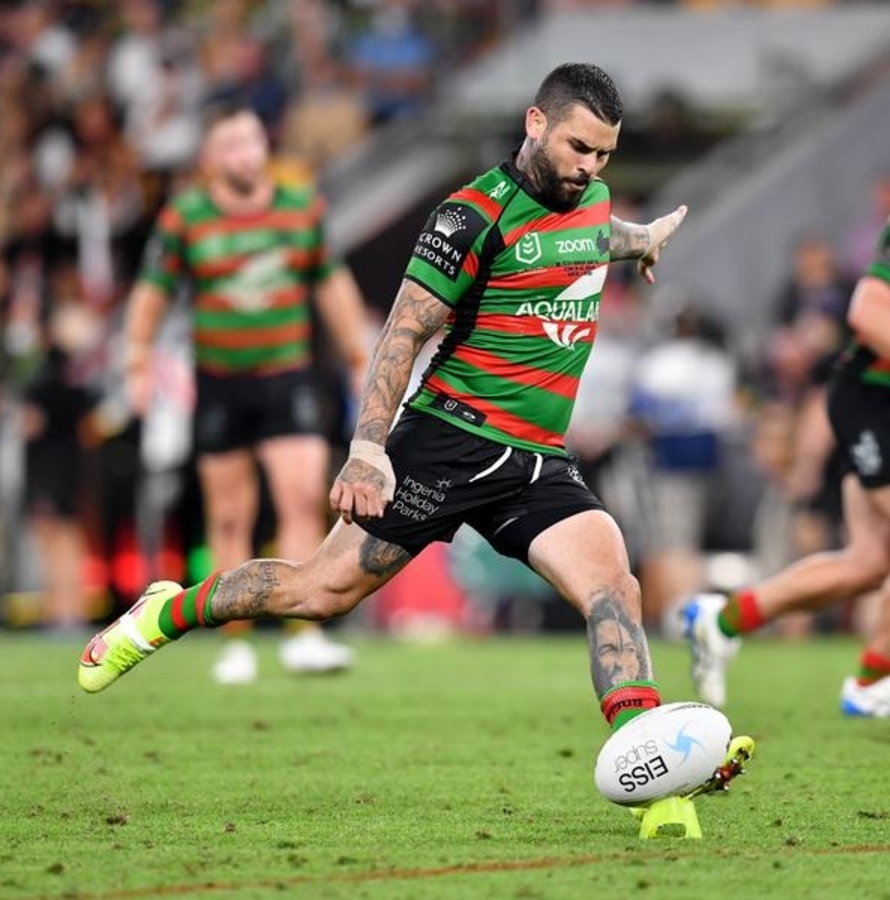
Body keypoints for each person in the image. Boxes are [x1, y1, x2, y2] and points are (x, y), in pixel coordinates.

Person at [78, 64, 690, 745]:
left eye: (604, 154)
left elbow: (592, 235)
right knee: (320, 591)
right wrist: (368, 449)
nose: (589, 168)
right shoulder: (469, 217)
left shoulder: (593, 198)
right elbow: (401, 334)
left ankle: (648, 757)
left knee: (615, 588)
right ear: (535, 122)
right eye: (579, 148)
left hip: (536, 460)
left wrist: (641, 241)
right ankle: (167, 613)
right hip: (448, 441)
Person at [684, 88, 890, 719]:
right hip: (874, 396)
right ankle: (872, 682)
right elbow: (868, 309)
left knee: (869, 564)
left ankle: (722, 620)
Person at [123, 104, 371, 684]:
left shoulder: (300, 207)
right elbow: (153, 291)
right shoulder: (186, 218)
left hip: (287, 376)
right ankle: (234, 640)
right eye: (231, 145)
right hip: (220, 383)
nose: (245, 154)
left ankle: (302, 633)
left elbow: (332, 283)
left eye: (252, 141)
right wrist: (137, 359)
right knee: (230, 515)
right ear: (211, 158)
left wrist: (360, 356)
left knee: (301, 499)